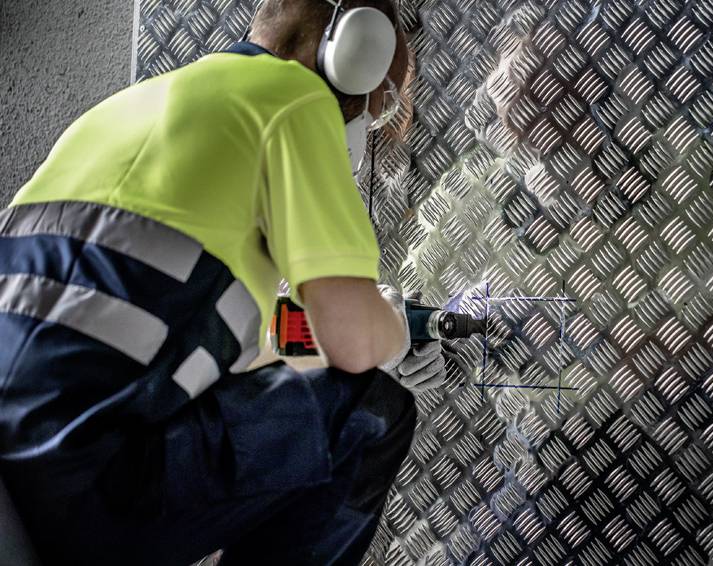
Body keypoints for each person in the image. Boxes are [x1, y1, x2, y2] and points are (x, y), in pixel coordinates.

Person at [0, 0, 446, 564]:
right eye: (377, 104)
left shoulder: (118, 112)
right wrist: (385, 332)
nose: (368, 123)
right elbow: (355, 343)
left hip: (22, 456)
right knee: (371, 413)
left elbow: (246, 340)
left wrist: (344, 331)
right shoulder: (293, 102)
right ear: (355, 51)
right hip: (87, 476)